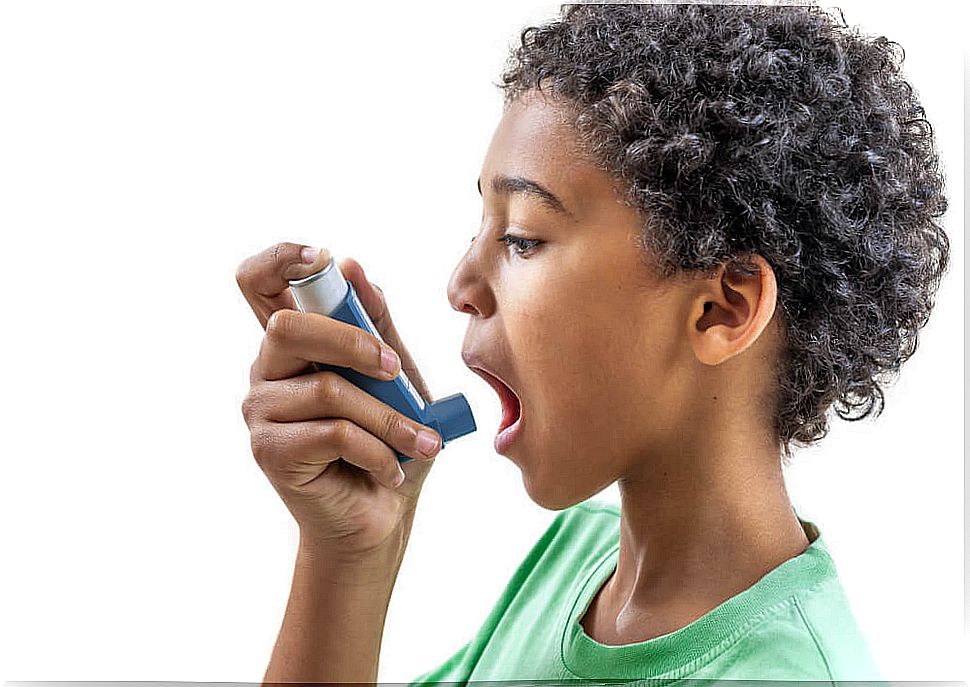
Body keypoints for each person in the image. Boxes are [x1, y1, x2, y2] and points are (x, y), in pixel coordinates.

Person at [235, 3, 949, 683]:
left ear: (721, 309)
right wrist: (350, 554)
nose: (460, 283)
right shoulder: (571, 564)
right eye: (480, 228)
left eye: (522, 237)